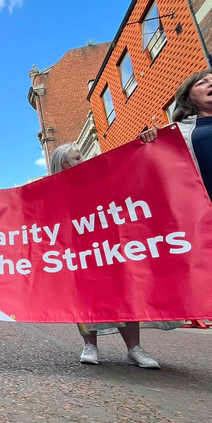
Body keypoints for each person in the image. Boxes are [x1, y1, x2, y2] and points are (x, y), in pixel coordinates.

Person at [140, 68, 212, 389]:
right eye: (203, 82)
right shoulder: (181, 131)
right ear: (188, 96)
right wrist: (149, 142)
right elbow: (156, 165)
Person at [50, 142, 167, 369]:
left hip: (109, 246)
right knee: (84, 297)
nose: (81, 160)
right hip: (78, 251)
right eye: (76, 157)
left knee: (123, 291)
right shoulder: (53, 190)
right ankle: (90, 346)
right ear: (64, 163)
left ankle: (134, 348)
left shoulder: (100, 179)